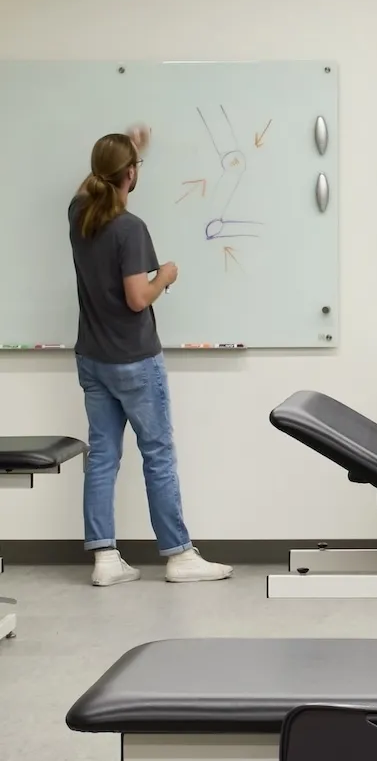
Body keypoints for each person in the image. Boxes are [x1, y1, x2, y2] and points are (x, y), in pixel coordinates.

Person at [69, 130, 231, 587]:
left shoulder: (79, 215)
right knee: (157, 454)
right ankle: (179, 555)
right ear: (132, 173)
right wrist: (166, 275)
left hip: (92, 358)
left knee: (102, 457)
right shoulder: (129, 227)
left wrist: (123, 153)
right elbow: (138, 298)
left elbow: (90, 184)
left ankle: (105, 559)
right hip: (135, 361)